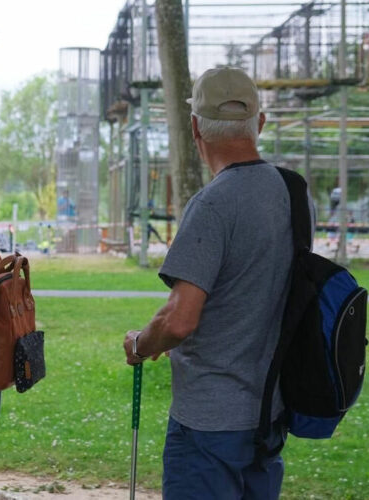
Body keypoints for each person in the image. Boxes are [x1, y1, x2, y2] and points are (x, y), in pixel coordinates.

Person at [122, 67, 294, 499]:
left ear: (195, 127)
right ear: (260, 123)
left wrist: (142, 344)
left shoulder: (213, 205)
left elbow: (179, 320)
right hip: (267, 414)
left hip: (208, 424)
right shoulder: (293, 192)